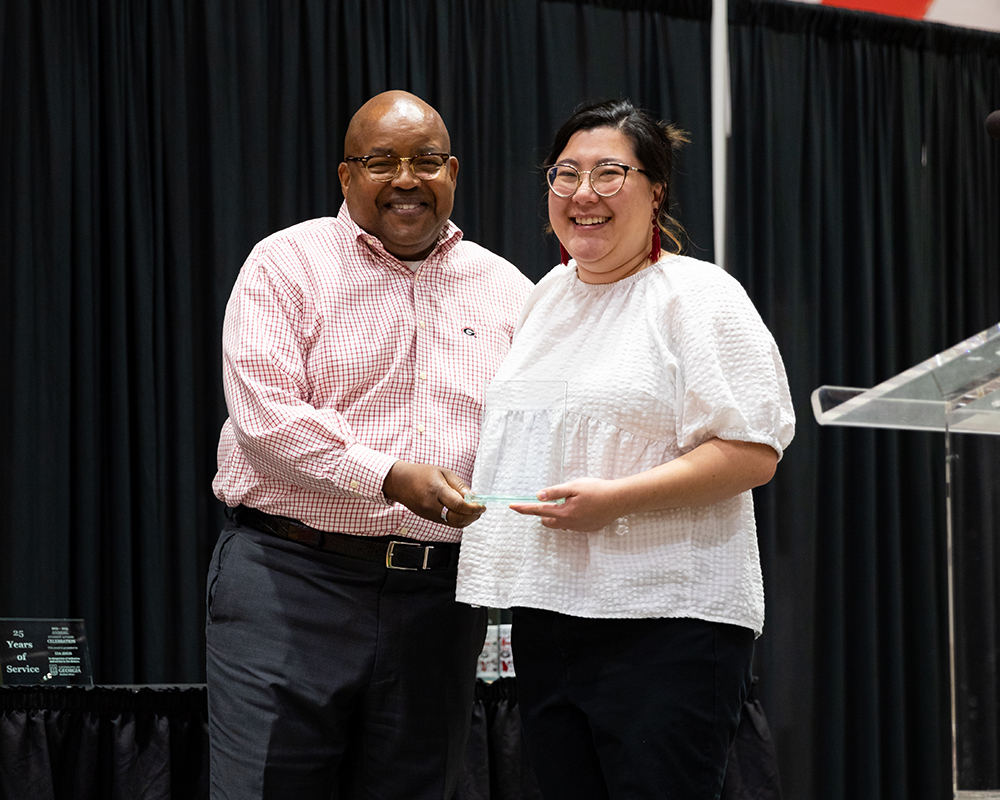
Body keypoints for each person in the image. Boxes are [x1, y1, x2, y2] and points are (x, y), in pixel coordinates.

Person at [456, 99, 795, 800]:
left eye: (610, 172)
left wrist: (615, 502)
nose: (584, 193)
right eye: (566, 174)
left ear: (655, 188)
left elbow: (751, 452)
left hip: (669, 624)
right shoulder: (546, 297)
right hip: (550, 620)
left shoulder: (699, 297)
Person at [206, 90, 532, 800]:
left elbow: (536, 433)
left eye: (427, 161)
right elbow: (266, 420)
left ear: (454, 172)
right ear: (347, 175)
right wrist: (388, 476)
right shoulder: (285, 265)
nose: (407, 178)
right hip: (291, 578)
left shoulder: (509, 290)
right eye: (382, 161)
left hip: (441, 601)